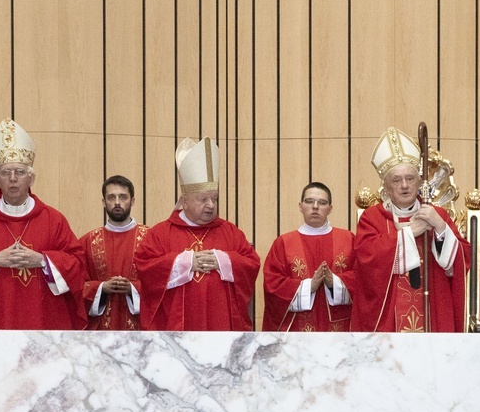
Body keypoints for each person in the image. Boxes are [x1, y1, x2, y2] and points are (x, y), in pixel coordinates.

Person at [0, 118, 87, 329]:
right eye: (6, 173)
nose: (13, 178)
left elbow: (78, 265)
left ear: (31, 179)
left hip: (43, 321)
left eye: (20, 172)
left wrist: (43, 260)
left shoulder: (53, 220)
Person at [349, 127, 470, 332]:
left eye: (410, 179)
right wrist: (409, 233)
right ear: (386, 187)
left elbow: (463, 261)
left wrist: (440, 228)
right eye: (396, 180)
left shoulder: (436, 214)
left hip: (433, 314)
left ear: (418, 183)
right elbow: (366, 262)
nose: (404, 185)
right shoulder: (373, 218)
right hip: (389, 322)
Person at [134, 137, 260, 331]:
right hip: (175, 331)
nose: (211, 205)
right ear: (184, 201)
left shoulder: (230, 232)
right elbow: (145, 267)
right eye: (203, 199)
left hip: (222, 327)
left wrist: (223, 260)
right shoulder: (160, 233)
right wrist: (185, 262)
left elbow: (251, 264)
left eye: (215, 198)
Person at [262, 182, 356, 331]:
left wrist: (336, 283)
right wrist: (308, 287)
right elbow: (272, 285)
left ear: (330, 208)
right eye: (309, 201)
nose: (315, 207)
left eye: (322, 202)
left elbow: (364, 279)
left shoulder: (348, 239)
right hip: (297, 334)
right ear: (300, 206)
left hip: (340, 331)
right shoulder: (284, 243)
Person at [79, 175, 148, 330]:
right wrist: (101, 287)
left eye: (123, 197)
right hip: (99, 333)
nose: (117, 202)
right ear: (104, 202)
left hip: (141, 332)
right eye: (111, 197)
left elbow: (161, 284)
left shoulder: (151, 239)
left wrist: (132, 288)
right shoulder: (87, 242)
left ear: (133, 201)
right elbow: (75, 286)